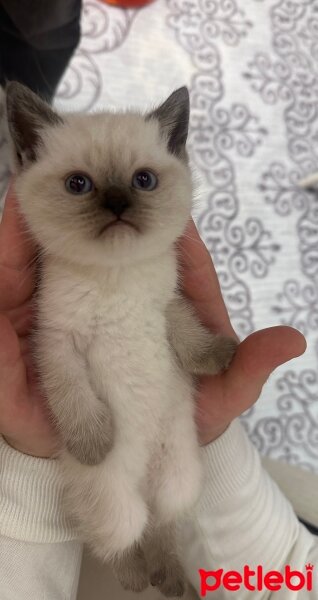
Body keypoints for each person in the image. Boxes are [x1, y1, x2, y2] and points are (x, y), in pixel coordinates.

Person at [0, 184, 317, 600]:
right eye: (79, 187)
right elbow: (290, 571)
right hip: (116, 432)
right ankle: (121, 551)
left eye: (145, 182)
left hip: (167, 423)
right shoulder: (63, 275)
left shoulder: (155, 263)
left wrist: (199, 350)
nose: (115, 204)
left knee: (177, 488)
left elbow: (167, 308)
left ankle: (157, 545)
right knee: (117, 517)